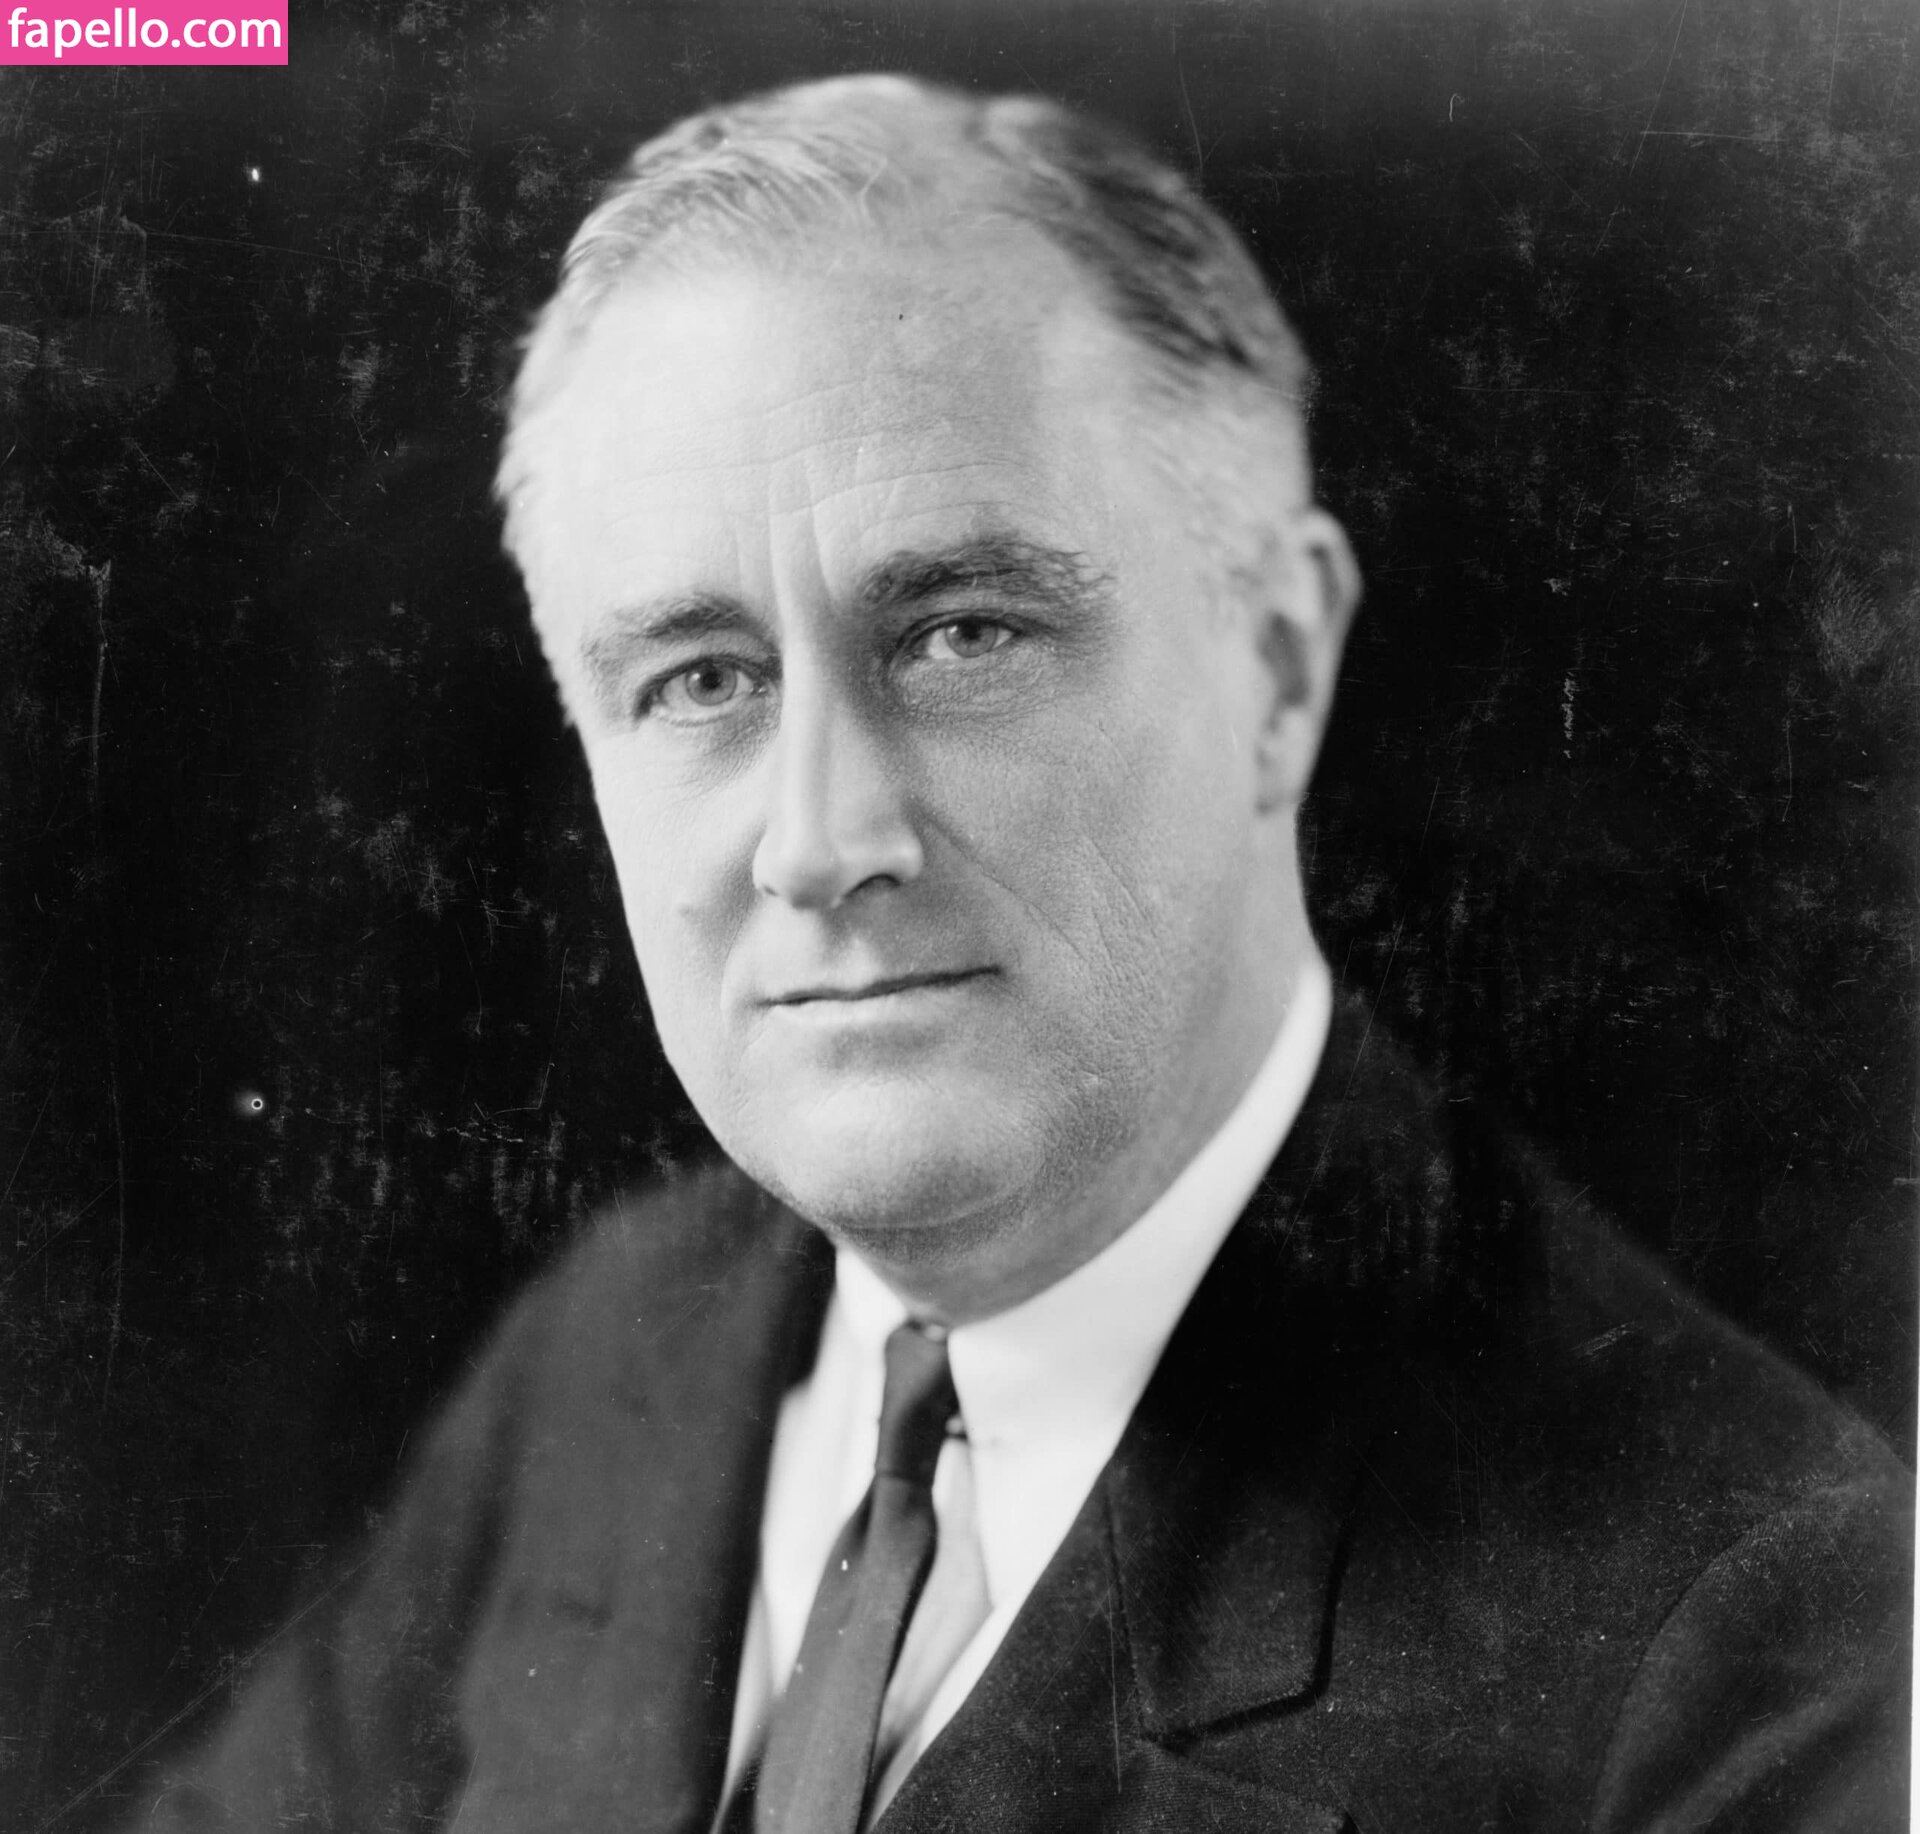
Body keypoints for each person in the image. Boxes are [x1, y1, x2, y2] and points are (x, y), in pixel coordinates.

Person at [133, 75, 1909, 1833]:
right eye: (700, 678)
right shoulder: (611, 1350)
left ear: (1279, 665)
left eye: (963, 634)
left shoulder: (1766, 1636)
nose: (819, 838)